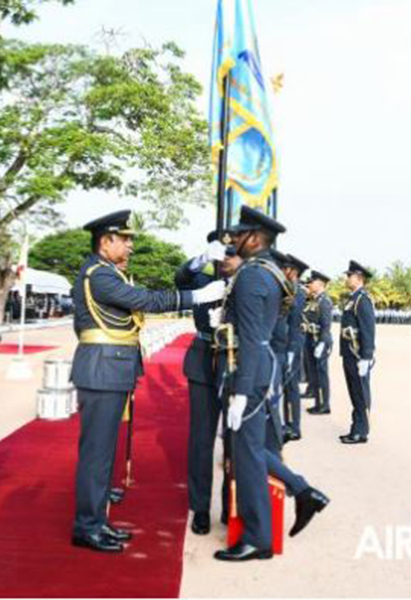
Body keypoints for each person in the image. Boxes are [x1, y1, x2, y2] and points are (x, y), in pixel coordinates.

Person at [70, 209, 225, 553]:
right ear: (105, 241)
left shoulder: (108, 272)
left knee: (103, 452)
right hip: (103, 369)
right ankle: (87, 526)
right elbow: (146, 300)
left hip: (112, 368)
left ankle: (97, 519)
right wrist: (197, 297)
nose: (130, 247)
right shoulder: (100, 275)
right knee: (96, 453)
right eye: (124, 240)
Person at [213, 206, 328, 562]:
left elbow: (249, 337)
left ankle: (257, 537)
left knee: (245, 454)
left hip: (249, 369)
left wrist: (242, 392)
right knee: (248, 448)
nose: (233, 239)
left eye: (240, 234)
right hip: (261, 366)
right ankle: (303, 490)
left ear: (256, 238)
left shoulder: (252, 276)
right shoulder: (270, 273)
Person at [175, 231, 242, 536]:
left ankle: (231, 505)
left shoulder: (246, 282)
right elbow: (180, 278)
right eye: (220, 252)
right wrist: (201, 259)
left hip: (233, 362)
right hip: (203, 360)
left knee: (233, 439)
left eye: (231, 251)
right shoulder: (203, 281)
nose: (225, 258)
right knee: (201, 441)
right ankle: (200, 508)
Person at [339, 260, 376, 444]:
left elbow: (368, 329)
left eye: (350, 275)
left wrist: (366, 357)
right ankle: (356, 427)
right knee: (354, 393)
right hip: (349, 353)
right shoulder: (353, 298)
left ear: (359, 278)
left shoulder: (363, 299)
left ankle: (361, 431)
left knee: (361, 394)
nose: (347, 278)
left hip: (358, 354)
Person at [280, 253, 308, 442]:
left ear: (293, 272)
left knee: (291, 387)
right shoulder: (289, 289)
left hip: (292, 345)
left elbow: (295, 323)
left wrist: (290, 351)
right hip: (286, 344)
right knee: (286, 387)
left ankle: (294, 427)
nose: (283, 271)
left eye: (286, 268)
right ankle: (288, 423)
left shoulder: (297, 292)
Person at [305, 270, 334, 416]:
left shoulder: (324, 301)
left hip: (320, 341)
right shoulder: (314, 300)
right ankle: (318, 402)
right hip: (311, 339)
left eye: (313, 281)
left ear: (321, 284)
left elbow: (326, 325)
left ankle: (324, 405)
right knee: (314, 374)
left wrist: (322, 343)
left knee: (321, 374)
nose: (310, 283)